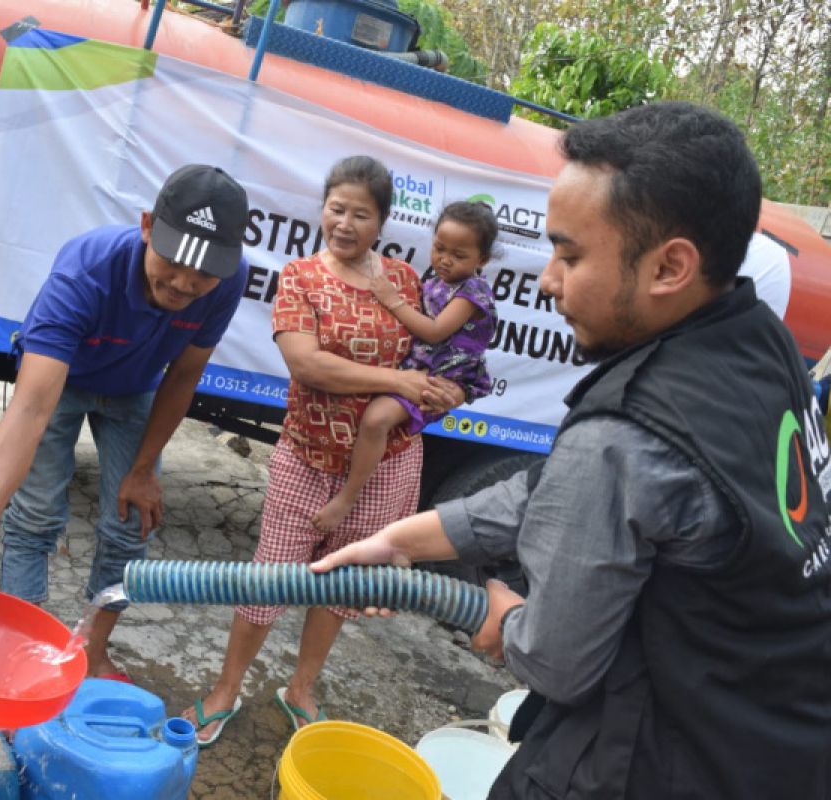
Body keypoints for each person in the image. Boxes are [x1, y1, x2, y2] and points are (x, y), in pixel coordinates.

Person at [314, 102, 831, 799]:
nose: (547, 280)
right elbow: (563, 490)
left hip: (656, 762)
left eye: (571, 254)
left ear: (669, 266)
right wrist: (405, 539)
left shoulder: (628, 430)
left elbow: (556, 662)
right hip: (778, 740)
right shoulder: (758, 342)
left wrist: (503, 617)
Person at [183, 156, 464, 746]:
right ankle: (226, 689)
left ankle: (301, 689)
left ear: (382, 222)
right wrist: (397, 383)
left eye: (360, 213)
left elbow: (431, 356)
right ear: (322, 210)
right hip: (308, 456)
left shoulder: (404, 282)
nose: (344, 223)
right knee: (270, 581)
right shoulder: (301, 276)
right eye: (336, 209)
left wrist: (441, 388)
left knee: (340, 584)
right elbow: (307, 363)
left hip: (385, 464)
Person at [0, 165, 250, 681]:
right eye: (171, 262)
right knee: (34, 517)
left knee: (129, 529)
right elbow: (30, 410)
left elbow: (184, 375)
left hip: (137, 389)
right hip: (63, 381)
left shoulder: (227, 282)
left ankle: (89, 647)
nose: (185, 283)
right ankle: (20, 648)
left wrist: (144, 467)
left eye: (203, 274)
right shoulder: (85, 271)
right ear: (147, 225)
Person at [313, 201, 498, 532]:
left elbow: (434, 331)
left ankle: (346, 499)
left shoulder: (472, 293)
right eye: (439, 248)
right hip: (417, 365)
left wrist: (390, 298)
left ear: (481, 260)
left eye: (458, 255)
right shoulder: (434, 278)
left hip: (439, 376)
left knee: (376, 420)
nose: (444, 259)